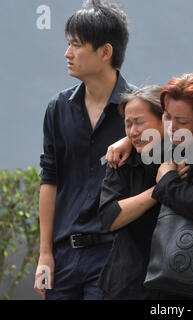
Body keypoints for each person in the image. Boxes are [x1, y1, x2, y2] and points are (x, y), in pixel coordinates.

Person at [34, 0, 136, 300]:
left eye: (76, 45)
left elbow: (178, 133)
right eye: (68, 44)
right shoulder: (58, 108)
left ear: (105, 52)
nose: (67, 54)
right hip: (63, 256)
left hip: (113, 253)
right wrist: (44, 255)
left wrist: (132, 138)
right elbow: (49, 180)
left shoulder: (137, 111)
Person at [101, 74, 193, 299]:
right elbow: (109, 217)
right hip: (128, 281)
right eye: (128, 123)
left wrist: (167, 181)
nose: (134, 131)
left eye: (139, 122)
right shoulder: (122, 159)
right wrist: (160, 188)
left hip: (178, 278)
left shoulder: (192, 151)